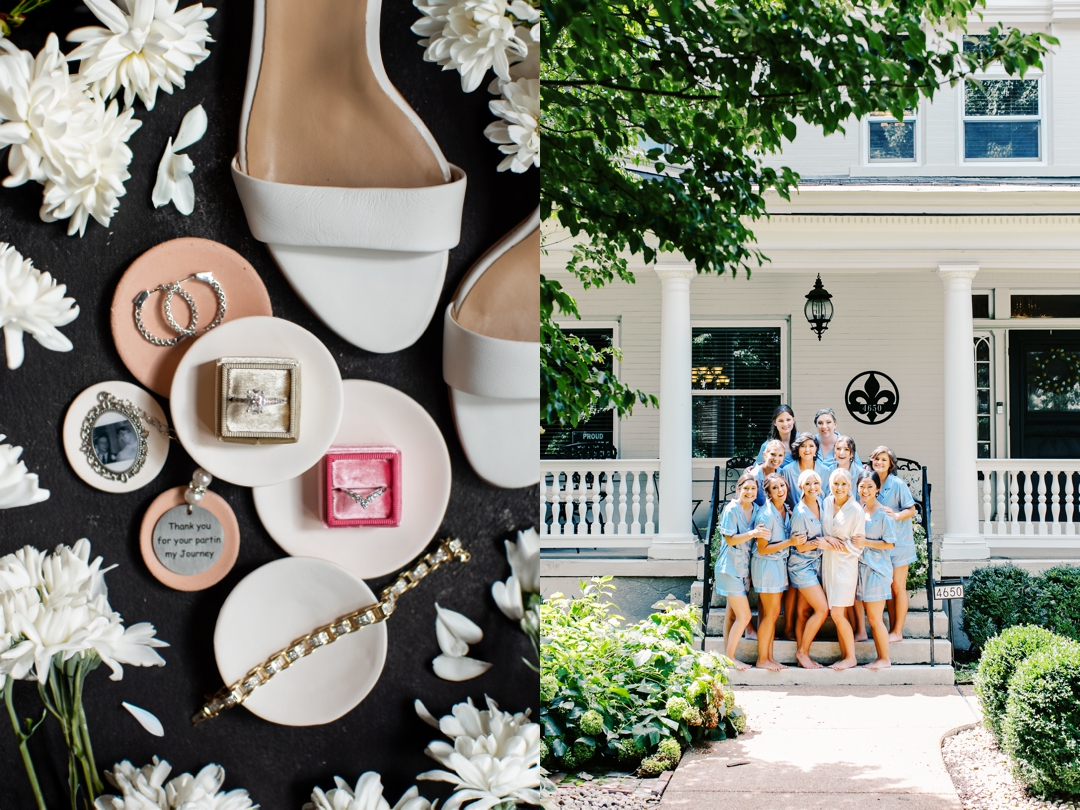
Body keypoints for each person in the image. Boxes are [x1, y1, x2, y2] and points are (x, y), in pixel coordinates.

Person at [789, 469, 842, 669]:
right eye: (808, 484)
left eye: (815, 483)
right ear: (801, 487)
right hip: (802, 566)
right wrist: (822, 541)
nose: (812, 487)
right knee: (822, 609)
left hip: (817, 564)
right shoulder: (800, 513)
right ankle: (802, 652)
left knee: (804, 611)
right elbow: (799, 546)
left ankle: (803, 655)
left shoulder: (822, 502)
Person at [778, 432, 830, 638]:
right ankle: (789, 629)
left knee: (804, 606)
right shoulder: (788, 470)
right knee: (797, 591)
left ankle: (802, 646)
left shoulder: (822, 498)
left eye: (811, 446)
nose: (807, 450)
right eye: (803, 446)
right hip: (798, 533)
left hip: (817, 556)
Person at [715, 473, 767, 671]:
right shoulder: (731, 509)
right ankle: (731, 658)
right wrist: (753, 533)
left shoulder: (757, 510)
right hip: (729, 568)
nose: (749, 492)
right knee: (744, 616)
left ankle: (727, 658)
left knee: (732, 615)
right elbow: (730, 540)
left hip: (744, 569)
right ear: (739, 489)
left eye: (753, 489)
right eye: (746, 488)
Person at [751, 473, 803, 671]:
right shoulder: (766, 515)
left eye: (782, 486)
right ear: (768, 493)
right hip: (766, 566)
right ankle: (762, 659)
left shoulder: (785, 510)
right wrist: (790, 542)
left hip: (778, 565)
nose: (780, 490)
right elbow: (762, 548)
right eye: (775, 488)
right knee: (770, 614)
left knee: (772, 615)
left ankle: (769, 657)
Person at [869, 445, 919, 642]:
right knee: (889, 588)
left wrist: (896, 515)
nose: (879, 462)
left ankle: (898, 631)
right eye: (876, 459)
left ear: (890, 464)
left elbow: (912, 510)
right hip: (883, 545)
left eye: (884, 459)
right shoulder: (871, 482)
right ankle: (891, 629)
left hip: (900, 544)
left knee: (898, 587)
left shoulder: (897, 484)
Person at [820, 467, 865, 671]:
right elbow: (822, 530)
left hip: (846, 565)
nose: (839, 488)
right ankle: (845, 654)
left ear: (850, 485)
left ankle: (851, 657)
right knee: (836, 613)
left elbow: (858, 546)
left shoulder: (855, 510)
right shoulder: (826, 503)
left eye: (843, 484)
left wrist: (830, 545)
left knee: (838, 613)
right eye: (836, 483)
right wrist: (827, 540)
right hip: (828, 564)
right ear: (830, 485)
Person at [854, 470, 898, 670]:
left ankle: (884, 659)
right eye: (862, 486)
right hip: (861, 569)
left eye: (870, 486)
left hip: (877, 571)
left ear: (878, 489)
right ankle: (880, 657)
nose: (865, 490)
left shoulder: (884, 514)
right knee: (871, 617)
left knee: (874, 617)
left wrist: (866, 542)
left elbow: (890, 544)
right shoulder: (860, 510)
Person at [750, 440, 787, 508]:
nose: (776, 459)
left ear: (784, 457)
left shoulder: (782, 473)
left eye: (780, 455)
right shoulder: (754, 476)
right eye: (773, 454)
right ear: (765, 454)